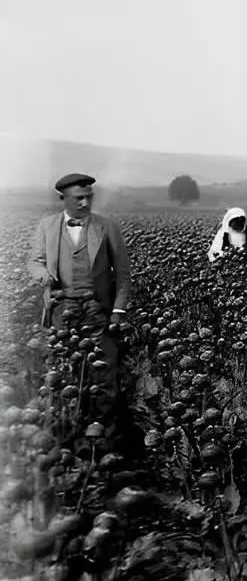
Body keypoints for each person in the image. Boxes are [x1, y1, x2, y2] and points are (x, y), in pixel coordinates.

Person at [26, 172, 132, 411]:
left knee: (103, 369)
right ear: (63, 199)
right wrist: (44, 276)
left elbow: (123, 273)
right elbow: (34, 261)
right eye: (78, 198)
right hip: (60, 306)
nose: (85, 203)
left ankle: (104, 422)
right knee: (63, 366)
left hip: (98, 309)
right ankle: (70, 417)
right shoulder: (47, 226)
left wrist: (118, 310)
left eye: (88, 197)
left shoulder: (108, 226)